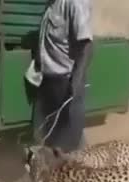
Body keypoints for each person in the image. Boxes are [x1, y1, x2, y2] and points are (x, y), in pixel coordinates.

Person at [25, 0, 94, 153]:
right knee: (45, 140)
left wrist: (76, 80)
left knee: (67, 147)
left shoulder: (75, 3)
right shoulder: (50, 4)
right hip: (47, 81)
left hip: (66, 82)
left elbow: (87, 46)